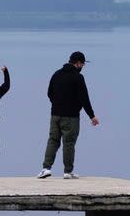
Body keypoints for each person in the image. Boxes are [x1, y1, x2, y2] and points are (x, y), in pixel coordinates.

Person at [37, 51, 99, 180]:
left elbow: (49, 93)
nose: (82, 67)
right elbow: (84, 99)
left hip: (55, 115)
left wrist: (57, 104)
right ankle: (68, 171)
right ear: (77, 63)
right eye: (82, 64)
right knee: (69, 143)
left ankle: (45, 169)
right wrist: (92, 116)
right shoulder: (78, 77)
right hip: (71, 117)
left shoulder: (57, 74)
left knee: (53, 141)